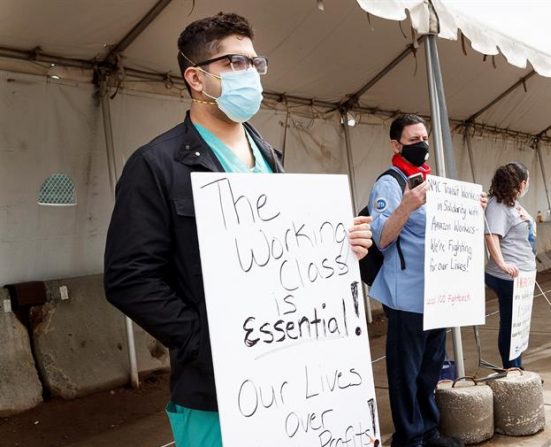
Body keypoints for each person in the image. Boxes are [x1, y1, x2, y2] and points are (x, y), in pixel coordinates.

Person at [103, 14, 373, 446]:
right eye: (234, 63)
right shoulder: (156, 165)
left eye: (254, 63)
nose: (251, 75)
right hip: (213, 392)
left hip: (290, 379)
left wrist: (339, 249)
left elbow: (281, 252)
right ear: (196, 77)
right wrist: (205, 342)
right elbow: (129, 278)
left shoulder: (269, 155)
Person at [368, 114, 477, 447]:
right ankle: (409, 437)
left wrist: (470, 208)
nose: (423, 145)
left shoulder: (431, 180)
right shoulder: (389, 182)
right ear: (396, 144)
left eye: (424, 138)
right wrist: (405, 206)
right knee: (406, 371)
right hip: (406, 294)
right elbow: (382, 238)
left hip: (437, 293)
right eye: (414, 140)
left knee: (430, 369)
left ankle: (428, 431)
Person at [484, 162, 537, 369]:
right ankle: (512, 368)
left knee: (519, 324)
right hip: (507, 276)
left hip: (521, 274)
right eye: (527, 181)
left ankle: (517, 365)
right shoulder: (497, 205)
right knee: (511, 323)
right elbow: (491, 235)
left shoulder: (512, 204)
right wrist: (501, 263)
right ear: (521, 183)